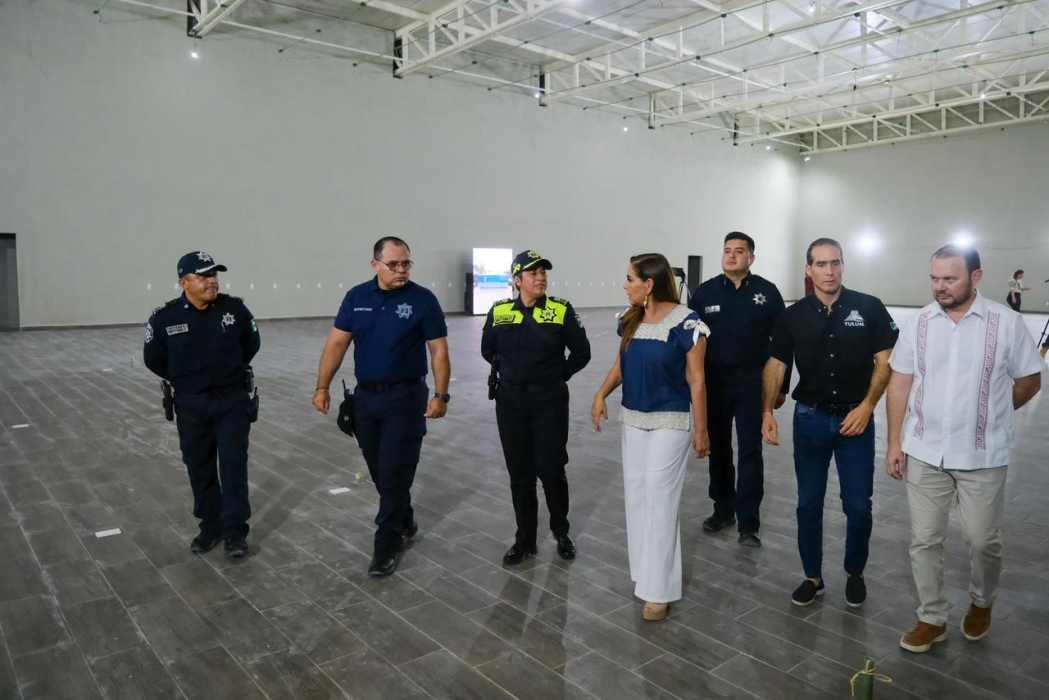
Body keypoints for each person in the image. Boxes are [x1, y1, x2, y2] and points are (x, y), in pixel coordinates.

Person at [886, 245, 1042, 653]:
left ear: (976, 277)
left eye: (950, 279)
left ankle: (981, 601)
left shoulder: (1005, 323)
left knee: (982, 540)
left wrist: (994, 414)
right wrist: (894, 443)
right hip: (924, 451)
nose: (940, 287)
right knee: (924, 539)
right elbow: (900, 382)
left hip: (982, 455)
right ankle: (931, 617)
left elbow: (1029, 379)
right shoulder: (918, 323)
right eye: (934, 278)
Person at [761, 238, 898, 608]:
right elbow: (776, 364)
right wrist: (767, 412)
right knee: (808, 503)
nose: (829, 271)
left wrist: (868, 406)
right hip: (810, 420)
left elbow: (885, 362)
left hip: (856, 419)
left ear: (843, 265)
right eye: (820, 264)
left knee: (858, 505)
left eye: (835, 263)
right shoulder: (792, 316)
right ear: (808, 269)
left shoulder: (868, 307)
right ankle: (812, 576)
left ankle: (855, 572)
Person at [312, 237, 450, 577]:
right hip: (366, 399)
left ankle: (386, 543)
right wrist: (322, 385)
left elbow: (439, 351)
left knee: (393, 469)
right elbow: (336, 344)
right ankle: (403, 515)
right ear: (375, 265)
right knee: (378, 468)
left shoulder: (422, 300)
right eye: (394, 264)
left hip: (406, 398)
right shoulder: (357, 298)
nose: (402, 270)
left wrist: (441, 395)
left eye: (406, 264)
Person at [592, 253, 710, 622]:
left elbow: (697, 379)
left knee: (660, 499)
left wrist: (702, 430)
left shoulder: (687, 324)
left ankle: (659, 591)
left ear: (649, 284)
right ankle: (644, 574)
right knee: (638, 496)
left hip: (671, 422)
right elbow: (621, 364)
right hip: (633, 419)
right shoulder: (630, 320)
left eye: (630, 279)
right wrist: (601, 394)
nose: (624, 285)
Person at [144, 251, 260, 559]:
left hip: (231, 400)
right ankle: (211, 527)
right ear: (184, 282)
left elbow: (251, 345)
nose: (212, 281)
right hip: (191, 404)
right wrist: (188, 380)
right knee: (199, 465)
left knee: (233, 466)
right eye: (204, 276)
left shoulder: (234, 310)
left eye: (214, 274)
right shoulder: (165, 318)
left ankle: (235, 531)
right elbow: (153, 359)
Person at [482, 250, 591, 565]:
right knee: (519, 473)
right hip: (511, 402)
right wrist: (512, 371)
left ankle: (561, 532)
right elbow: (487, 349)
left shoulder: (560, 311)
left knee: (551, 469)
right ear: (517, 280)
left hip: (549, 402)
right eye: (533, 273)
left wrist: (560, 374)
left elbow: (581, 352)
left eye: (543, 272)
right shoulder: (500, 311)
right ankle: (524, 539)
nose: (541, 277)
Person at [689, 231, 787, 547]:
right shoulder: (704, 294)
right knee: (719, 449)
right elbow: (690, 342)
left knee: (750, 451)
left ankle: (748, 522)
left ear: (751, 258)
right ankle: (722, 509)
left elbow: (784, 345)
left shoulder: (768, 293)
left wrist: (780, 387)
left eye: (739, 251)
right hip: (715, 383)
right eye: (727, 250)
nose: (731, 256)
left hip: (751, 384)